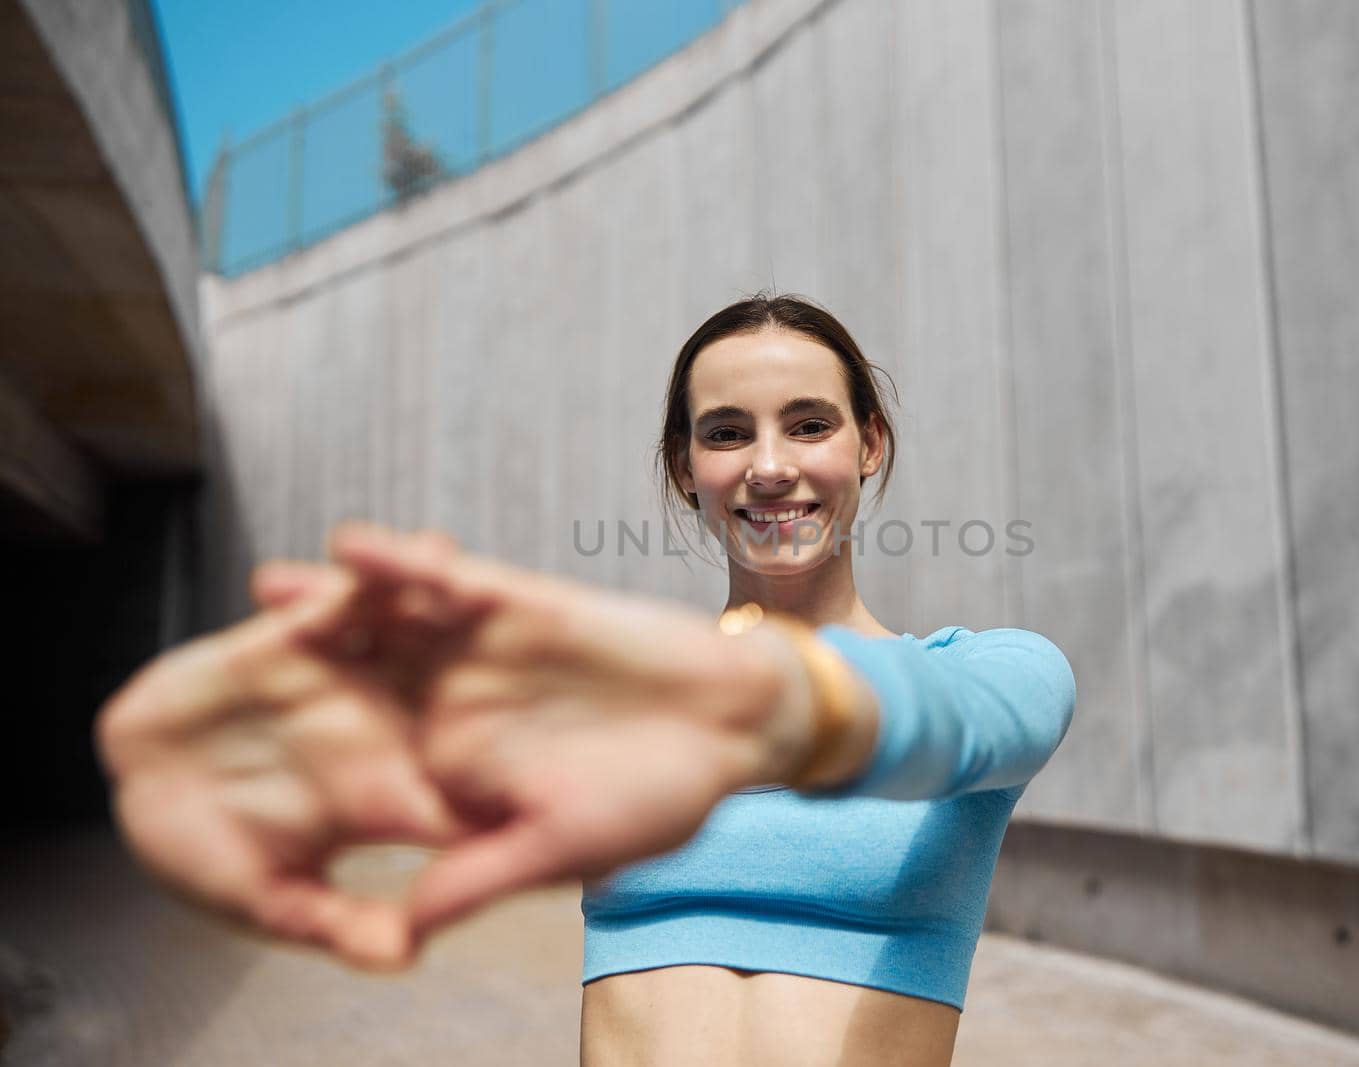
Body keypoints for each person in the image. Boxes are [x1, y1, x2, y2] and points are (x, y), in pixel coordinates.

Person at [95, 293, 1077, 1066]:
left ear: (870, 443)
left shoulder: (986, 670)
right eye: (726, 431)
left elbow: (966, 722)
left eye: (809, 423)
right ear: (684, 467)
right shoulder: (620, 716)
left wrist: (778, 701)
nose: (769, 466)